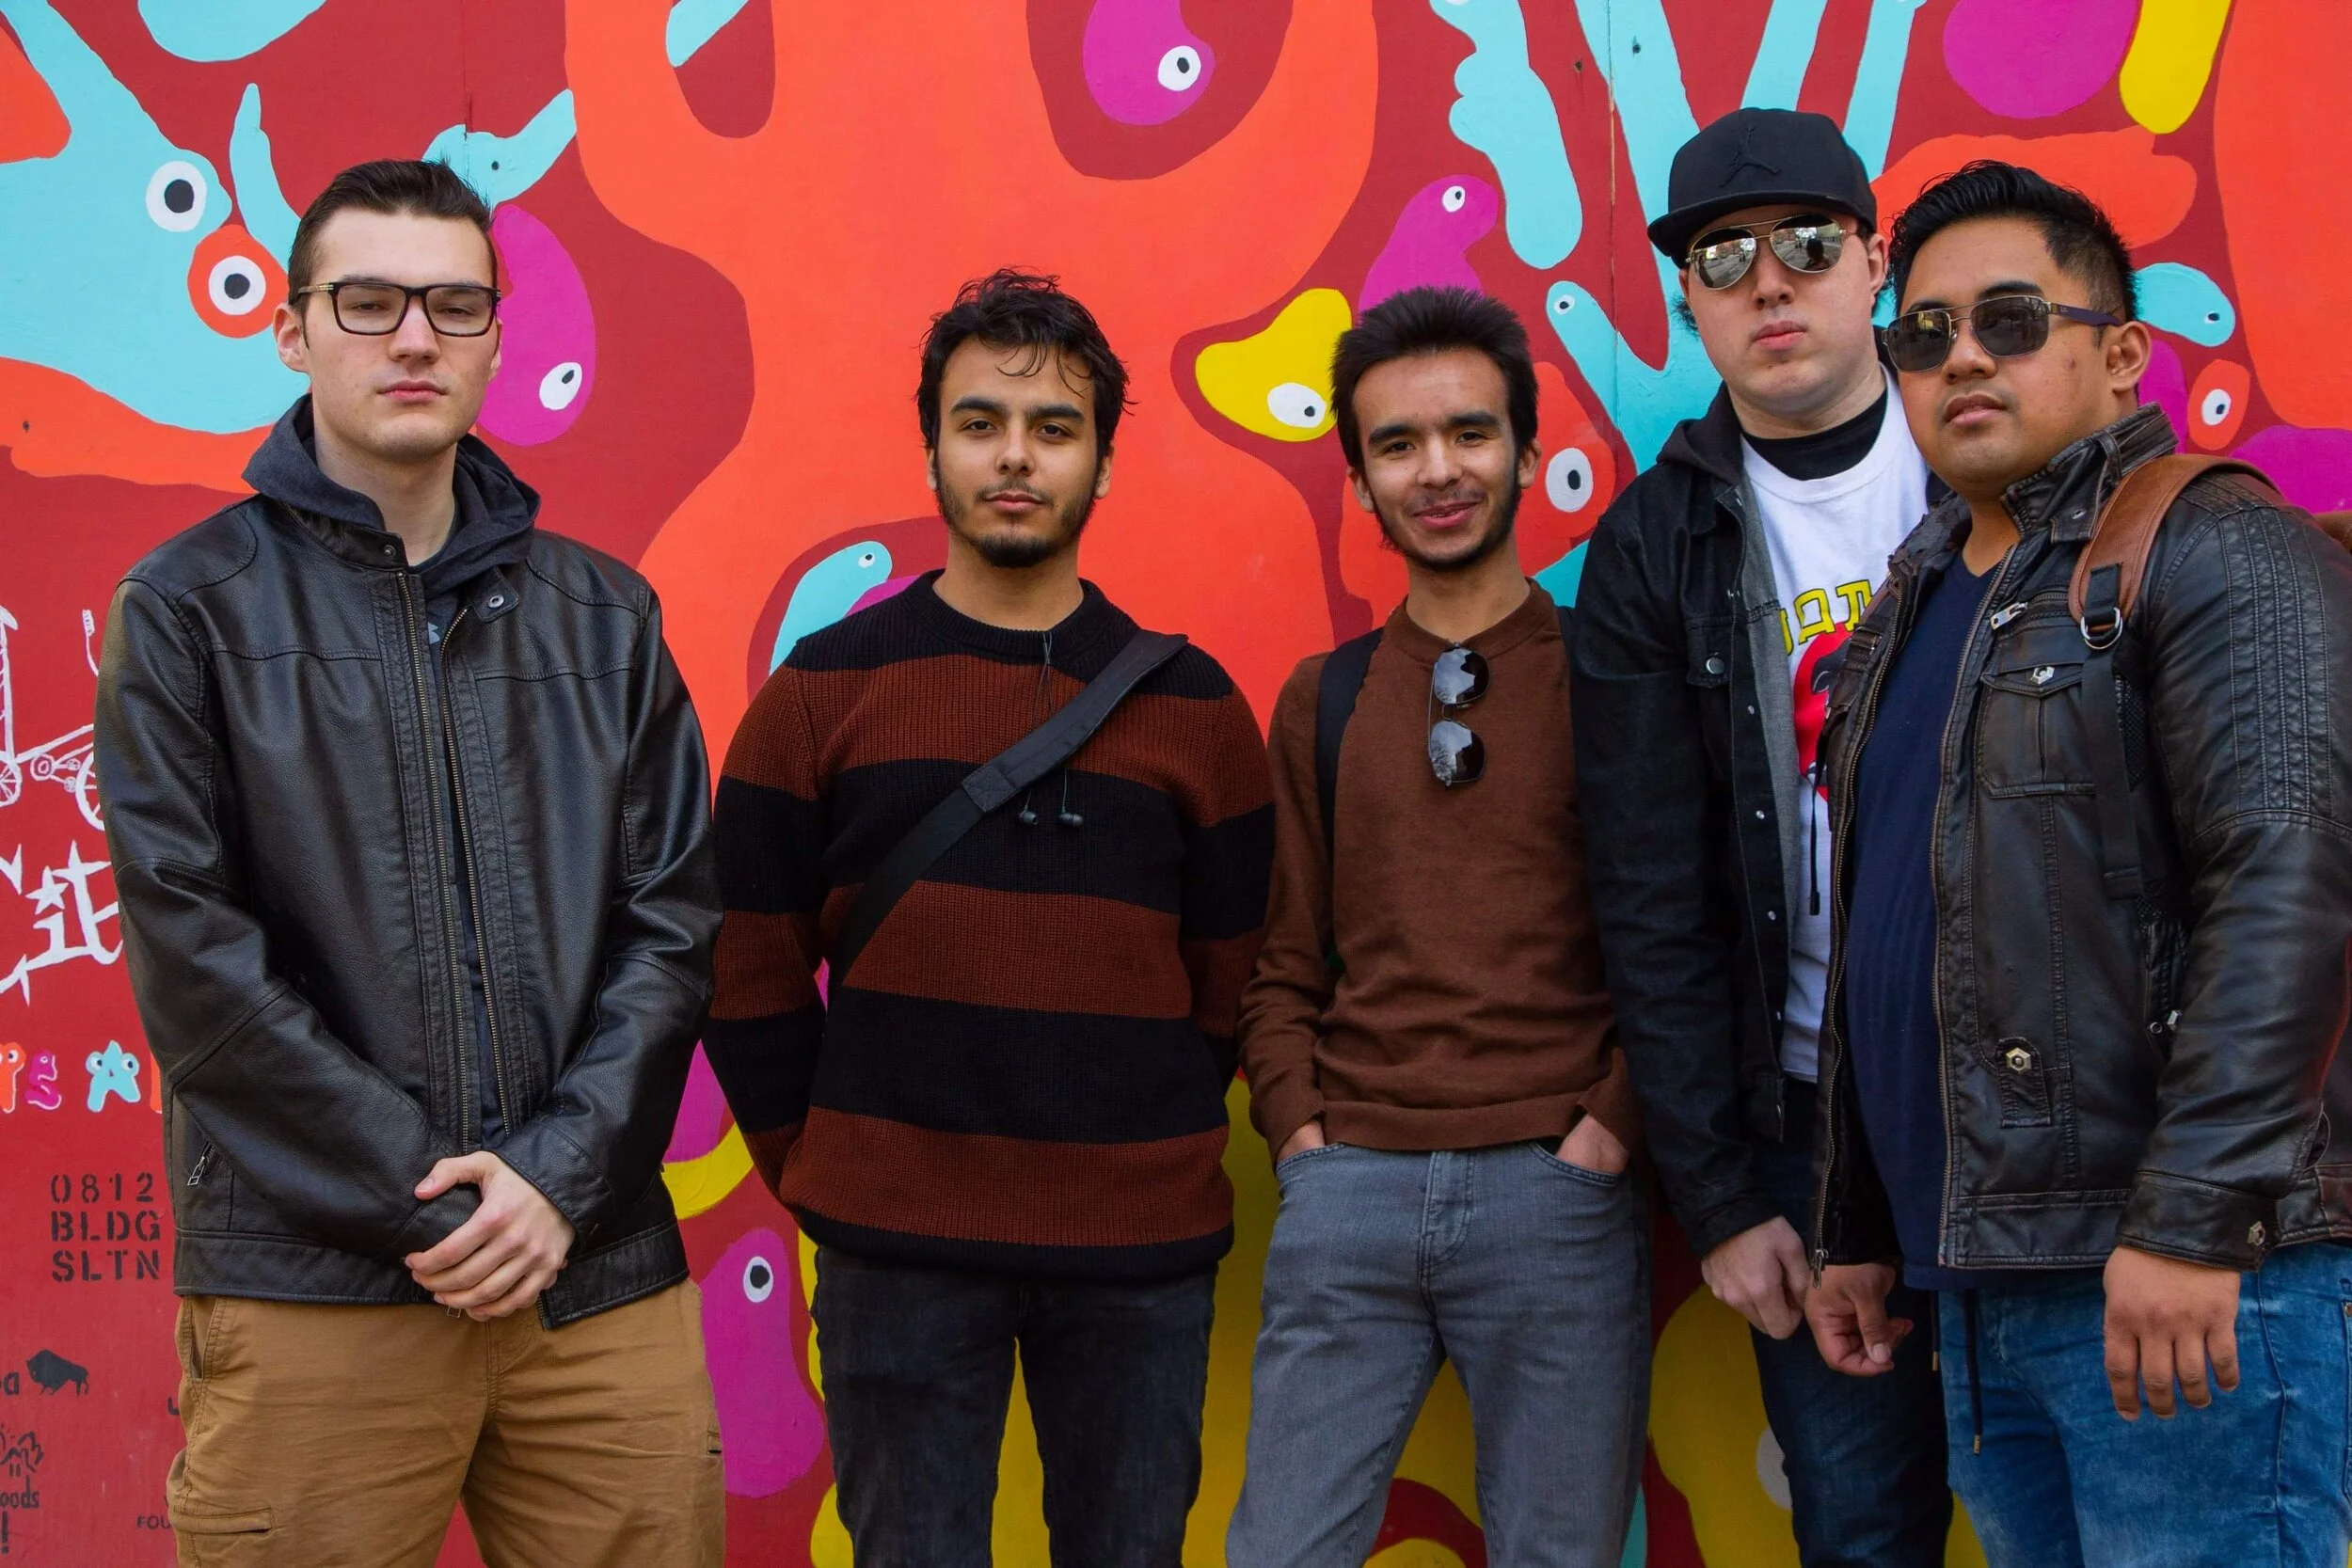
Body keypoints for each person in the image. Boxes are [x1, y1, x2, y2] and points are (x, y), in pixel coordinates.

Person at [96, 159, 723, 1566]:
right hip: (321, 1283)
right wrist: (441, 1199)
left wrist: (556, 1182)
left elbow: (673, 925)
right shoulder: (186, 612)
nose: (415, 337)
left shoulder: (606, 618)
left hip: (592, 1283)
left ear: (500, 335)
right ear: (293, 328)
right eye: (369, 300)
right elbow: (199, 971)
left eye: (454, 304)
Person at [1805, 160, 2352, 1566]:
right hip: (1982, 1283)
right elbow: (1897, 929)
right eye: (1921, 334)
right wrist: (1861, 1222)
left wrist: (2192, 1224)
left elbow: (2292, 888)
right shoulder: (1922, 598)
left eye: (2008, 317)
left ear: (2119, 354)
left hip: (2189, 1282)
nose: (1961, 356)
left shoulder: (2217, 542)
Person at [704, 268, 1273, 1565]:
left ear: (1102, 465)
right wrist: (830, 1163)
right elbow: (746, 960)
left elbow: (1233, 974)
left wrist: (1128, 1128)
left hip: (1136, 1251)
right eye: (980, 423)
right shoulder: (823, 691)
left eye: (1054, 428)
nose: (1014, 456)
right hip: (896, 1250)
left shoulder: (1194, 708)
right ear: (933, 448)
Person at [1572, 108, 1950, 1563]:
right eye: (1725, 259)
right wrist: (1725, 1197)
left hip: (2037, 1107)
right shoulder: (1655, 543)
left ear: (1875, 263)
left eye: (1806, 245)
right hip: (1809, 1126)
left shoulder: (2000, 468)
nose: (1769, 284)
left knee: (2094, 1515)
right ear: (1689, 300)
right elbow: (1648, 889)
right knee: (1860, 1526)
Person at [1229, 285, 1646, 1568]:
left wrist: (1608, 1132)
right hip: (1346, 1186)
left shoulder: (1614, 680)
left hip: (1557, 1193)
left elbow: (1681, 943)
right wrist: (1300, 1127)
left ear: (1526, 453)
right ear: (1359, 479)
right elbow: (1282, 955)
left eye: (1470, 434)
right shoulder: (1327, 697)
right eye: (1397, 445)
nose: (1438, 470)